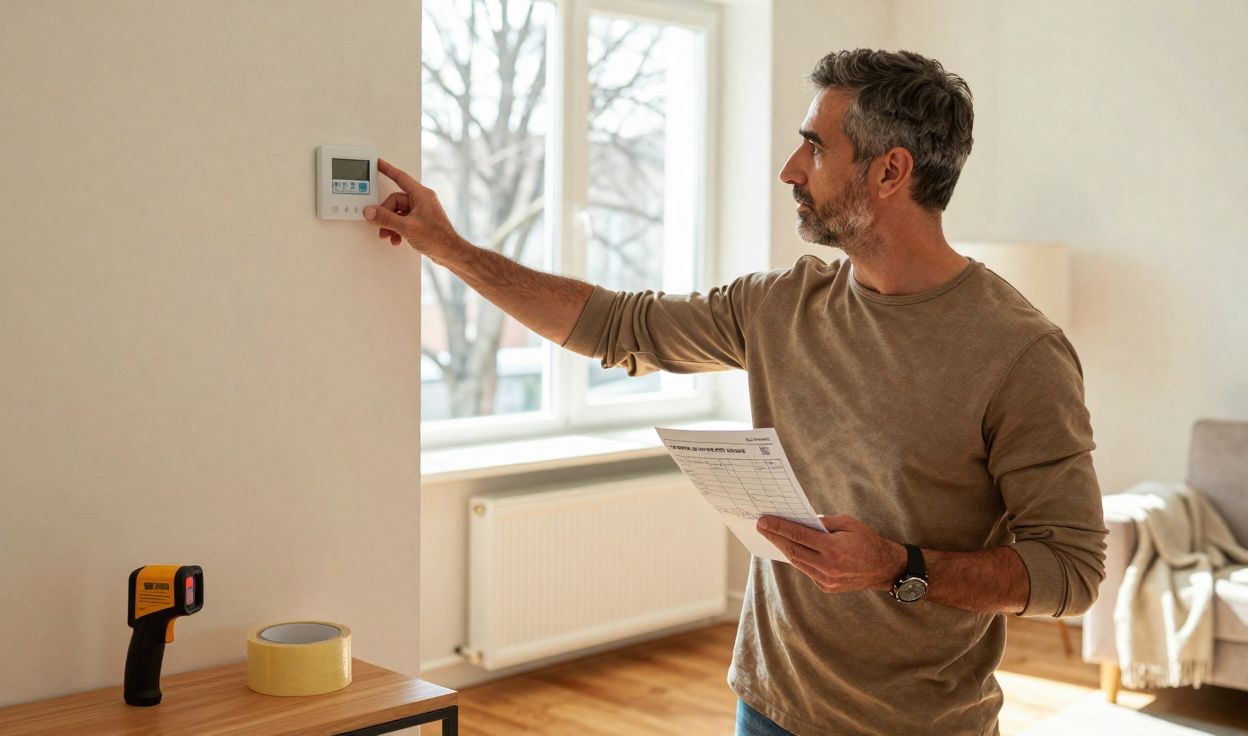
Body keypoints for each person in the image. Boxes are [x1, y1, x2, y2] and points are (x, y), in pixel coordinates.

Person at [365, 48, 1107, 736]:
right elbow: (613, 324)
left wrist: (899, 567)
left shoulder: (1019, 352)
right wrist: (448, 248)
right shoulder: (782, 305)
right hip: (768, 707)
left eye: (815, 146)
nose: (790, 168)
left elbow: (1070, 572)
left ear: (890, 172)